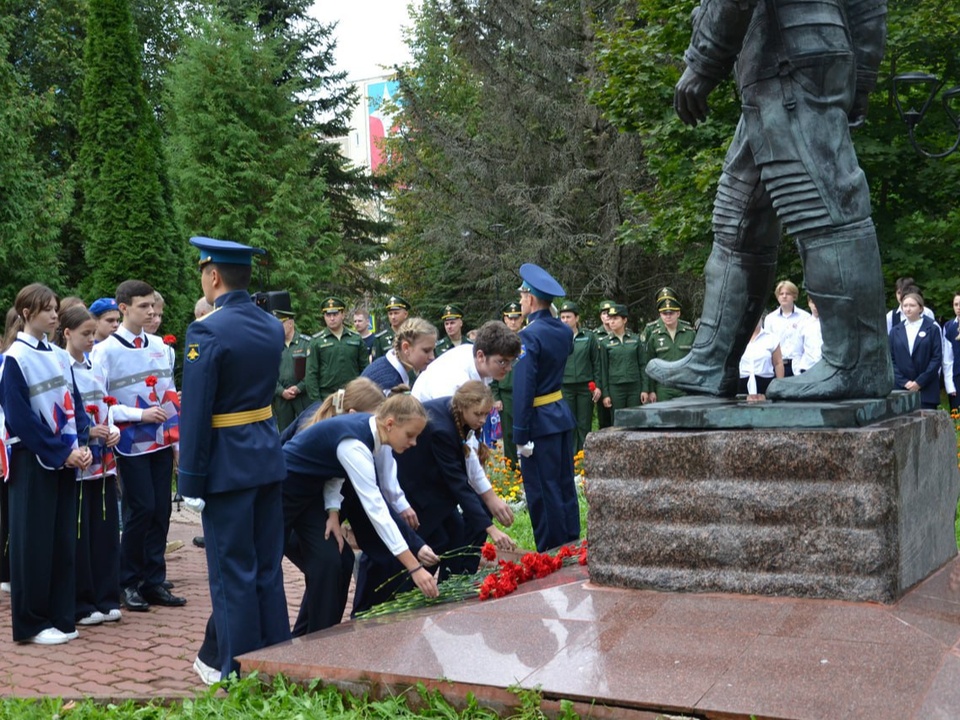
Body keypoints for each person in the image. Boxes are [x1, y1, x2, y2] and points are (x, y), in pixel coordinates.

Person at [649, 0, 892, 401]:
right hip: (806, 57)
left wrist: (704, 62)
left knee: (826, 209)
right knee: (739, 217)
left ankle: (858, 362)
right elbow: (868, 5)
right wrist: (860, 75)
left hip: (783, 60)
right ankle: (713, 360)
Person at [178, 236, 291, 683]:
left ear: (213, 276)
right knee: (267, 566)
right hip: (265, 454)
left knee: (232, 572)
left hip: (226, 464)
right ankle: (275, 658)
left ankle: (237, 669)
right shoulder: (269, 325)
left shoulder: (206, 329)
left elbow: (197, 409)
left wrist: (190, 482)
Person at [282, 391, 440, 615]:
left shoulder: (367, 430)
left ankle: (320, 639)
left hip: (308, 501)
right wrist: (414, 567)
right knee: (262, 571)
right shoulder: (356, 444)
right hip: (280, 497)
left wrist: (334, 511)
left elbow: (334, 471)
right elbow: (377, 511)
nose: (414, 442)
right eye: (410, 435)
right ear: (390, 424)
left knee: (339, 561)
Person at [1, 284, 92, 644]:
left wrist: (81, 445)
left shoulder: (57, 355)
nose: (55, 315)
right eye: (47, 310)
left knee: (61, 540)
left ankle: (60, 617)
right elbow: (20, 418)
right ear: (26, 314)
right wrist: (59, 451)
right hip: (32, 459)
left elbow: (76, 403)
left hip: (64, 456)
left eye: (56, 309)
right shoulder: (14, 359)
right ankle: (31, 623)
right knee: (33, 544)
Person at [89, 280, 183, 612]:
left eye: (153, 306)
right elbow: (98, 404)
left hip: (160, 439)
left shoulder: (161, 346)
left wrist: (177, 441)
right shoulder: (104, 351)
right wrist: (138, 413)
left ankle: (153, 579)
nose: (152, 312)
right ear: (124, 308)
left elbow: (170, 397)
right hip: (129, 441)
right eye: (144, 306)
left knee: (161, 508)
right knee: (140, 508)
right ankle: (127, 581)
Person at [395, 381, 516, 582]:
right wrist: (491, 529)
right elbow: (458, 482)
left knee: (455, 533)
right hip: (415, 487)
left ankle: (448, 585)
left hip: (432, 484)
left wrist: (490, 500)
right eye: (478, 414)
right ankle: (410, 587)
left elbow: (469, 463)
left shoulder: (458, 415)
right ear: (463, 407)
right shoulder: (442, 429)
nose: (483, 420)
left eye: (486, 414)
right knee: (435, 539)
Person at [412, 321, 520, 530]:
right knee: (465, 516)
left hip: (443, 441)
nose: (508, 368)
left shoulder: (476, 363)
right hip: (424, 446)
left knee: (473, 515)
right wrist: (490, 497)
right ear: (481, 355)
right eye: (502, 362)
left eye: (511, 362)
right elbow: (465, 444)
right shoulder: (454, 381)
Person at [56, 306, 123, 627]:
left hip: (104, 462)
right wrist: (85, 433)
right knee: (80, 534)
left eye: (92, 335)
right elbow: (58, 414)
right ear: (66, 333)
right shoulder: (58, 367)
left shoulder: (96, 366)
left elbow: (108, 405)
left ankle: (107, 596)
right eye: (85, 335)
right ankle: (82, 602)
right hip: (78, 459)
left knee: (105, 530)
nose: (91, 341)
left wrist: (113, 430)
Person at [512, 264, 579, 552]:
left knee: (542, 489)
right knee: (564, 484)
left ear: (531, 298)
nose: (520, 300)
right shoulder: (563, 331)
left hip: (539, 422)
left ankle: (552, 550)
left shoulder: (528, 336)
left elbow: (524, 387)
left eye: (522, 295)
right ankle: (571, 542)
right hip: (560, 415)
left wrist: (519, 434)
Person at [304, 297, 368, 402]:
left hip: (353, 394)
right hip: (328, 396)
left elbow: (365, 368)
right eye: (328, 315)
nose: (332, 318)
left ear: (343, 315)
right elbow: (311, 374)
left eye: (335, 314)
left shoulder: (356, 338)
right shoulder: (316, 341)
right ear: (324, 317)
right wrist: (316, 402)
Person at [640, 288, 696, 404]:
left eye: (671, 313)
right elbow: (649, 363)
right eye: (665, 314)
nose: (668, 316)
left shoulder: (690, 333)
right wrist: (650, 390)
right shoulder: (654, 335)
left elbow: (696, 360)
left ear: (678, 313)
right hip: (663, 387)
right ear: (660, 314)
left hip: (685, 385)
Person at [889, 292, 943, 410]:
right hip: (901, 389)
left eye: (912, 305)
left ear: (921, 308)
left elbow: (936, 358)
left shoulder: (932, 329)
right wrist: (904, 382)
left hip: (926, 390)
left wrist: (919, 382)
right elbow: (890, 359)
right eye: (905, 305)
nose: (908, 309)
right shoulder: (895, 331)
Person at [559, 301, 601, 453]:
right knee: (569, 424)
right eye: (562, 317)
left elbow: (596, 363)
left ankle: (584, 459)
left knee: (584, 425)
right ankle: (570, 460)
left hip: (585, 386)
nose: (565, 320)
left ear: (576, 318)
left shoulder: (588, 337)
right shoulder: (557, 338)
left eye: (568, 317)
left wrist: (597, 386)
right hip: (566, 386)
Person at [362, 317, 437, 391]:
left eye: (433, 350)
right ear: (406, 348)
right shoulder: (389, 383)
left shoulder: (389, 367)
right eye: (426, 351)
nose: (432, 357)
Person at [492, 302, 524, 462]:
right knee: (509, 432)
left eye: (516, 318)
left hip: (525, 392)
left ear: (522, 319)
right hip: (506, 393)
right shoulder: (498, 342)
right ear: (504, 319)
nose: (513, 322)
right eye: (510, 318)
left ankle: (529, 465)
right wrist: (495, 396)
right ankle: (511, 467)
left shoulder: (528, 338)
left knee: (528, 429)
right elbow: (492, 370)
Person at [272, 302, 311, 433]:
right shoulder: (273, 346)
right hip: (282, 399)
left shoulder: (306, 343)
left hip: (303, 397)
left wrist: (299, 387)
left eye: (281, 323)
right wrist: (280, 391)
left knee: (306, 430)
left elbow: (312, 371)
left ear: (290, 323)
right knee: (284, 434)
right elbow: (268, 373)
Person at [599, 304, 643, 415]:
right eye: (610, 319)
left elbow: (643, 364)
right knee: (618, 420)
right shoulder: (605, 343)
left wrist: (645, 389)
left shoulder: (635, 339)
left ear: (624, 320)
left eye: (615, 318)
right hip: (616, 387)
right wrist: (606, 394)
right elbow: (603, 369)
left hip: (634, 386)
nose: (611, 322)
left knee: (635, 419)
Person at [762, 281, 810, 378]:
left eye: (787, 294)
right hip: (778, 366)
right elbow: (768, 345)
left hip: (799, 366)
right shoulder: (770, 319)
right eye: (781, 294)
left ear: (794, 296)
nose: (784, 296)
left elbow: (808, 343)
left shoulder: (805, 317)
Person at [738, 319, 785, 396]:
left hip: (765, 382)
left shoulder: (771, 338)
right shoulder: (737, 338)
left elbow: (778, 363)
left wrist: (780, 386)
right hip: (742, 382)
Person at [595, 300, 615, 429]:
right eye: (604, 313)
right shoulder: (594, 335)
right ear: (600, 316)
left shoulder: (624, 333)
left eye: (609, 313)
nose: (607, 316)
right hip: (602, 381)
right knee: (604, 420)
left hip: (617, 379)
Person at [795, 298, 824, 374]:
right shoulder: (803, 324)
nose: (815, 306)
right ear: (809, 303)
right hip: (807, 369)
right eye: (813, 303)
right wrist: (797, 372)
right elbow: (797, 351)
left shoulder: (832, 325)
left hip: (825, 370)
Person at [943, 293, 960, 412]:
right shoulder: (949, 327)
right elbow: (947, 359)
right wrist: (950, 385)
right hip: (957, 378)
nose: (959, 307)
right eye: (956, 304)